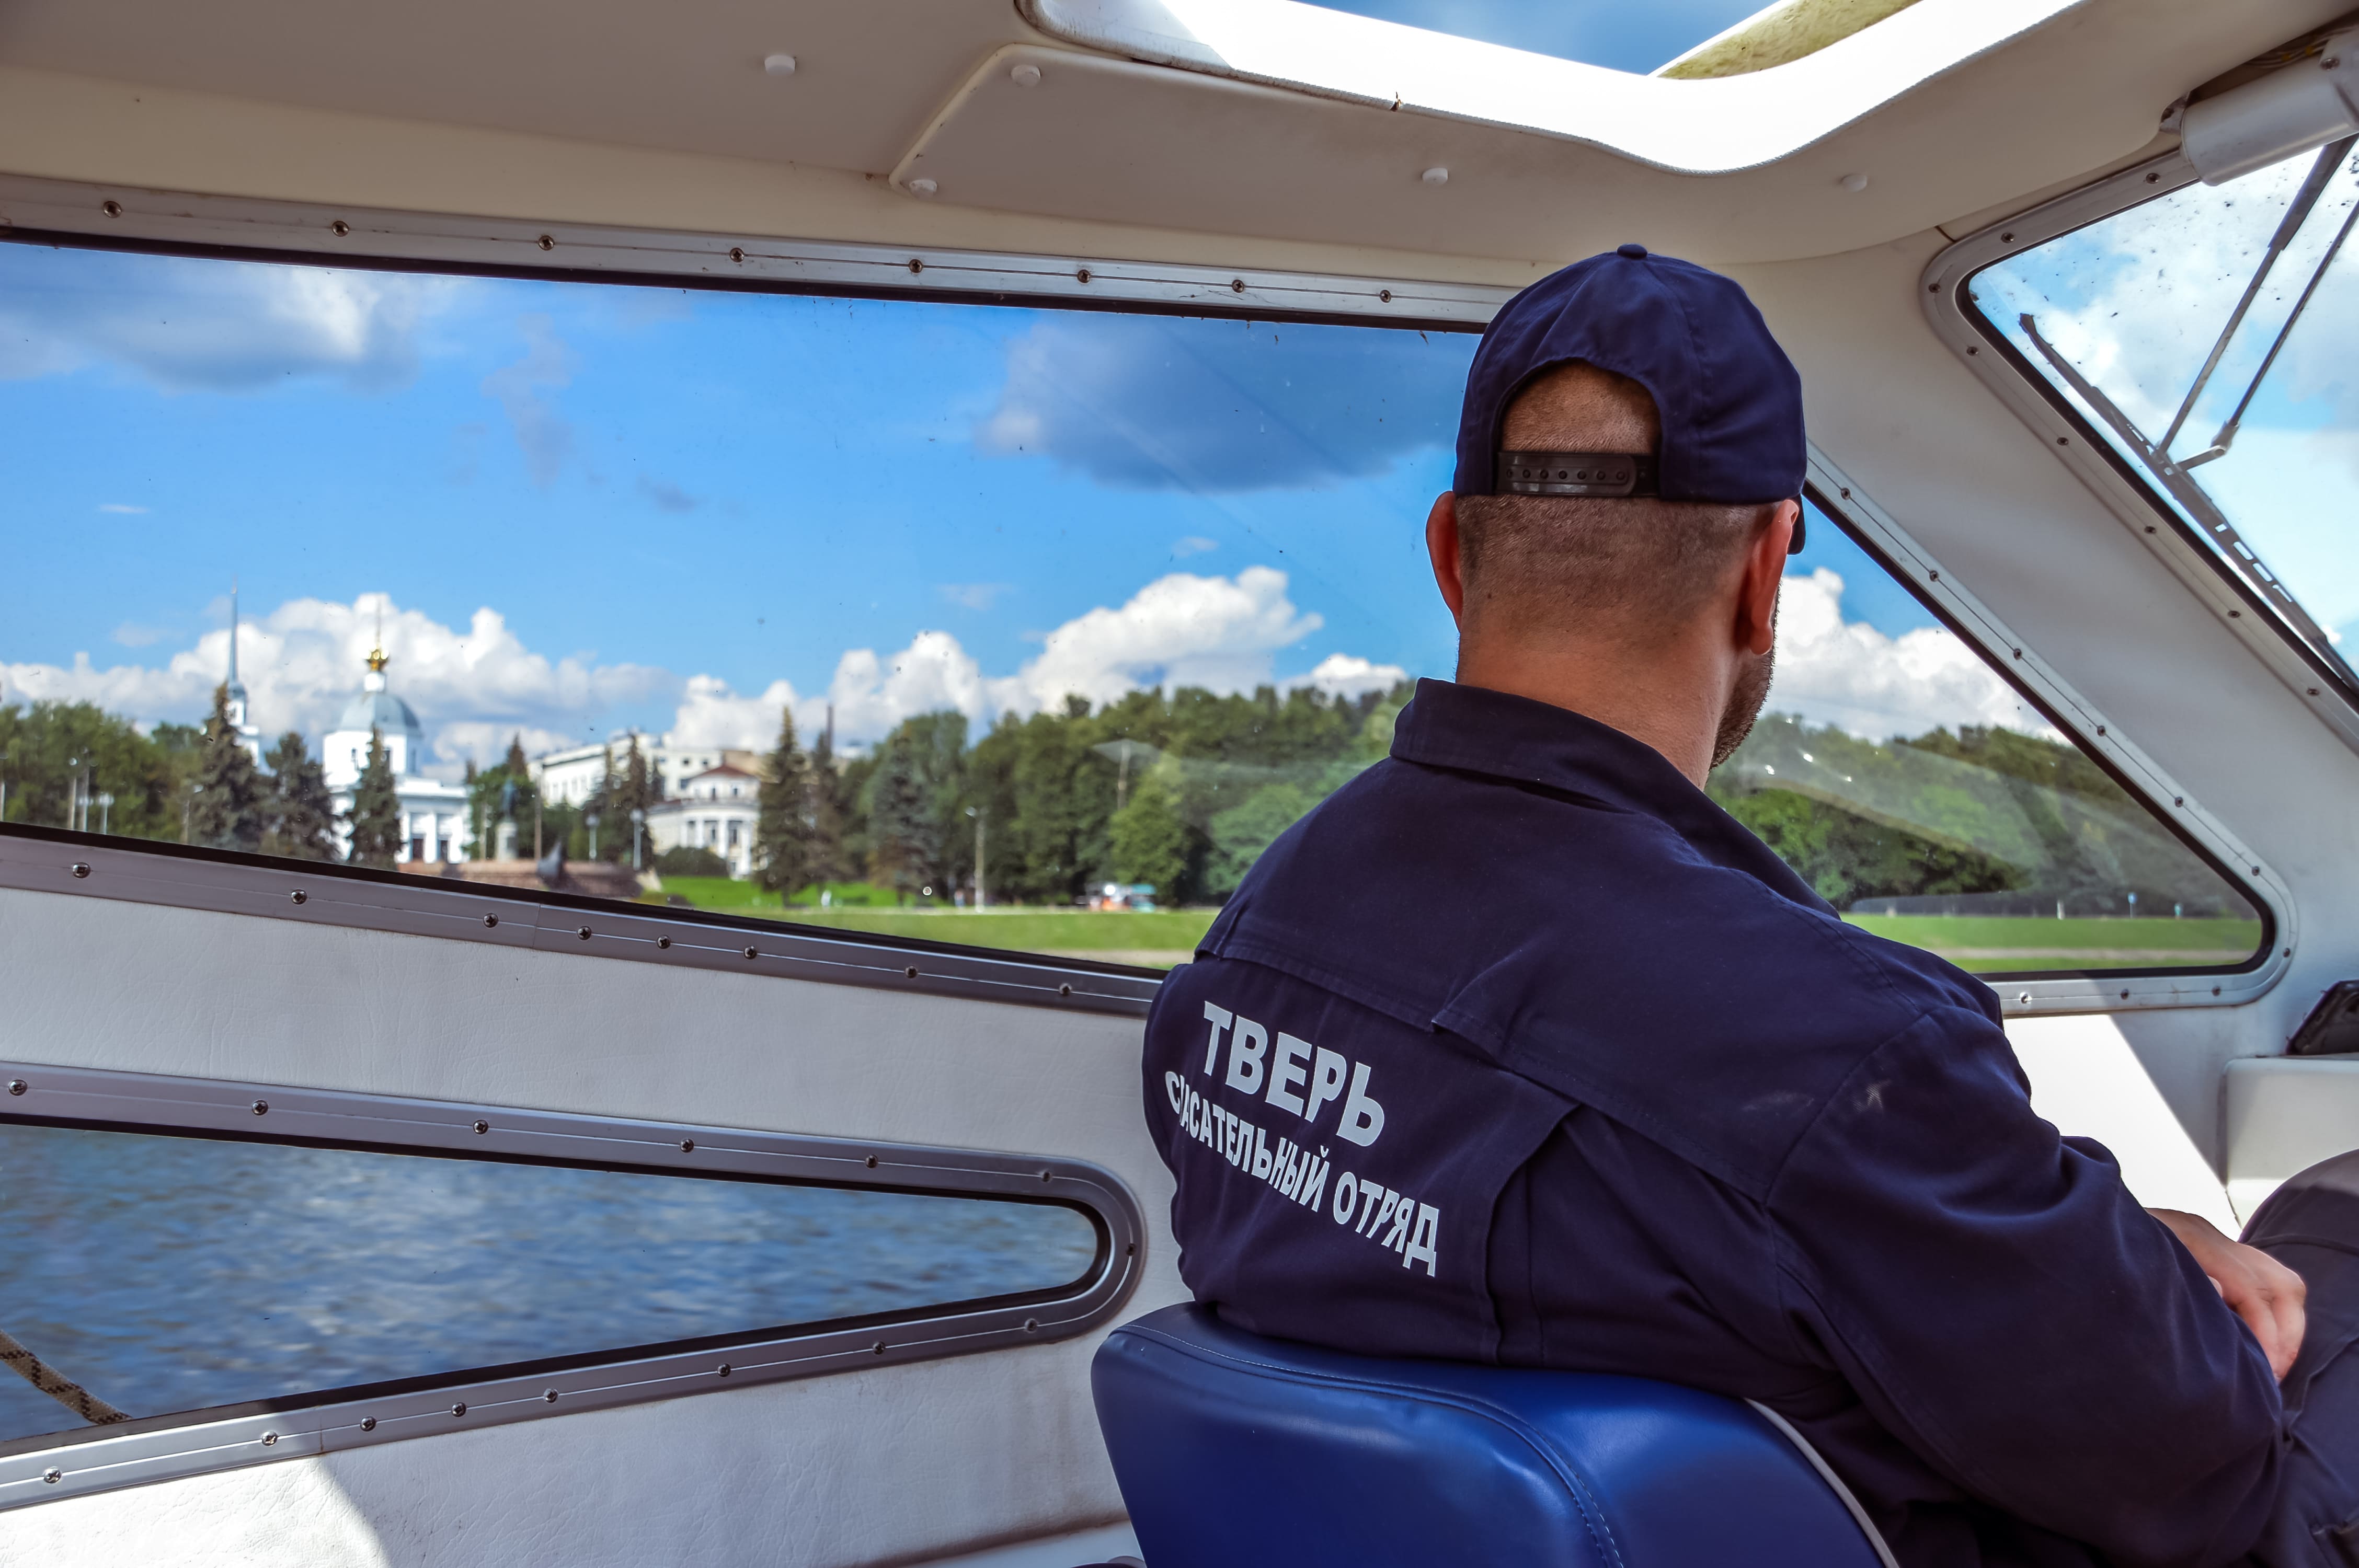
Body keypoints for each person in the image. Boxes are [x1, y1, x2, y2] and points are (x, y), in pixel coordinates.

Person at [1140, 246, 2354, 1568]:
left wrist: (2100, 1247)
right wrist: (2144, 1271)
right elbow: (2208, 1480)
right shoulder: (1840, 1053)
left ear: (1450, 554)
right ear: (1765, 571)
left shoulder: (1262, 932)